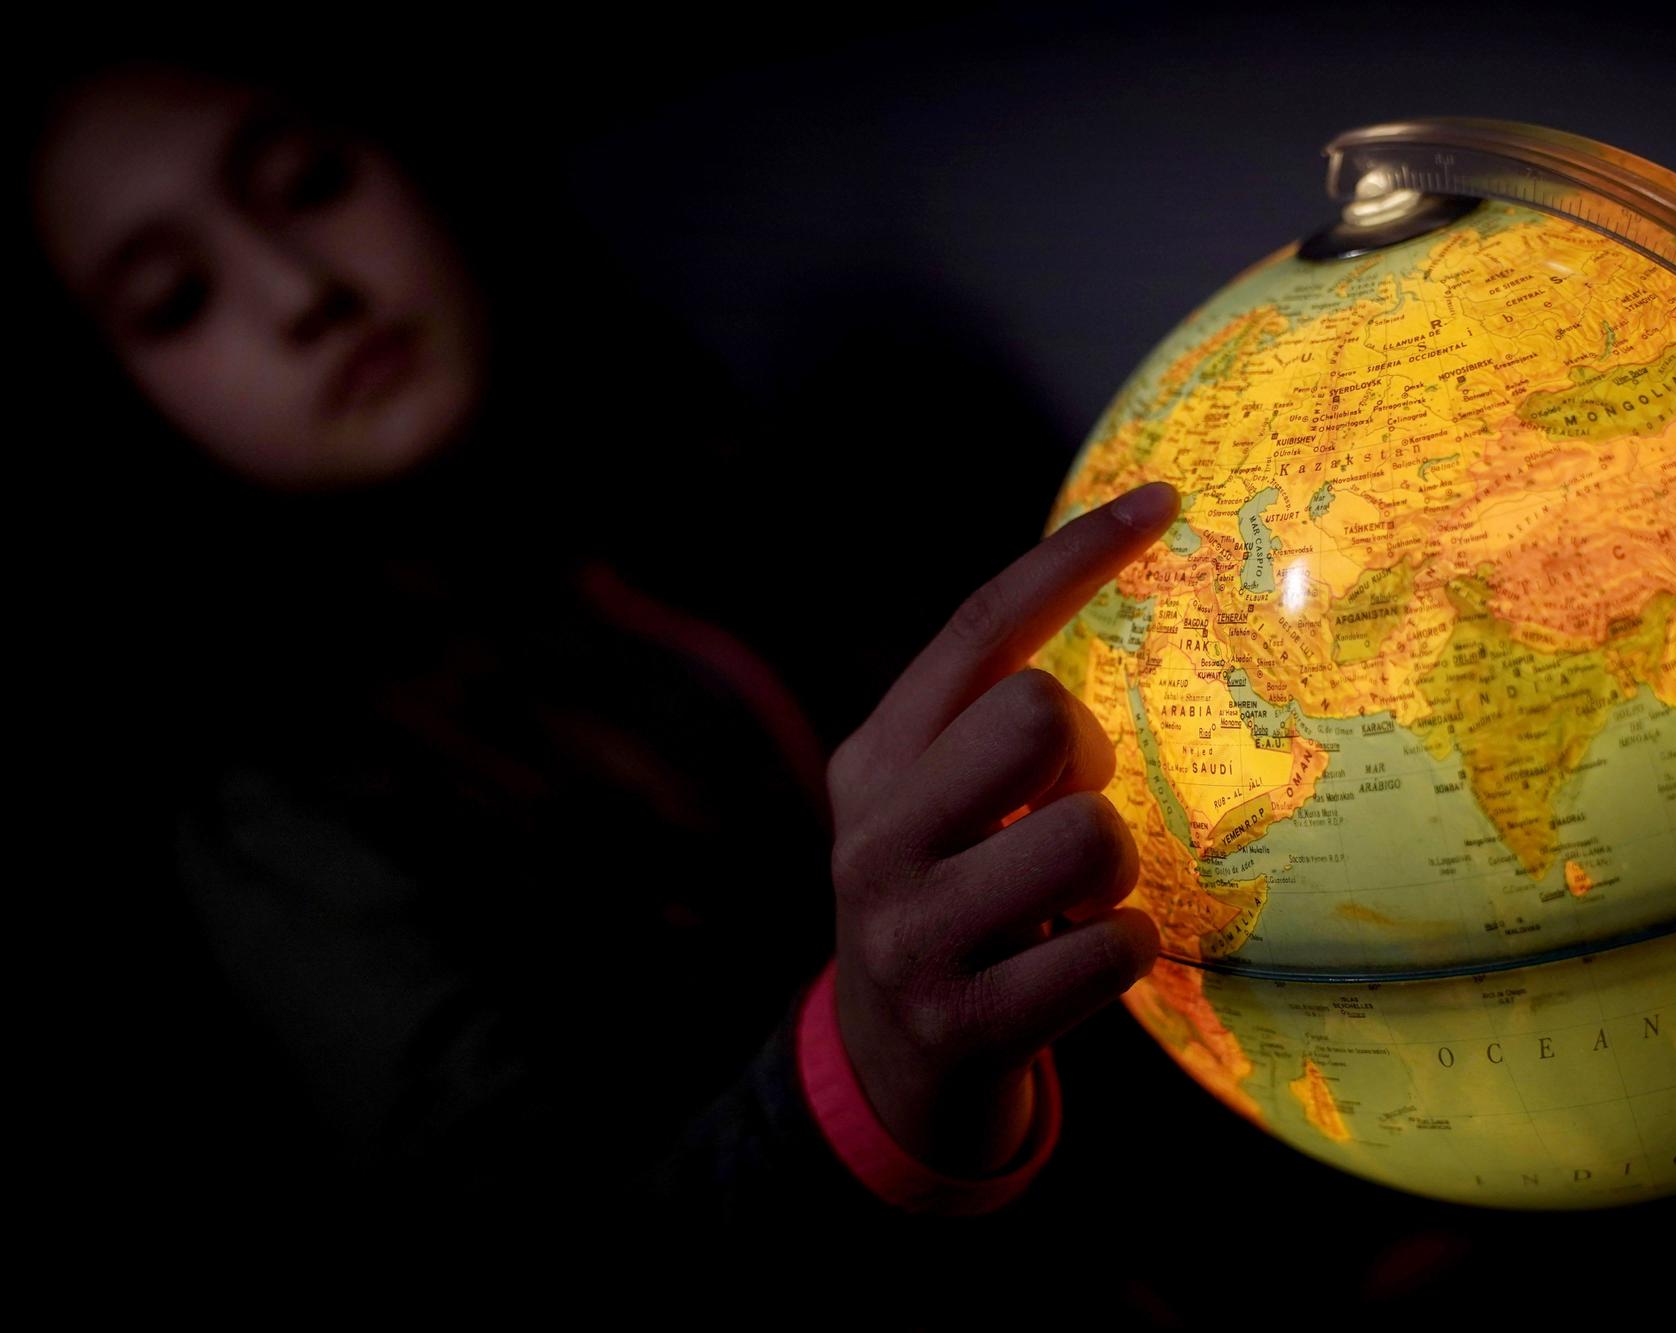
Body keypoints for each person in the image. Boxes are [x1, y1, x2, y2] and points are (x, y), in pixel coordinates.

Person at [26, 48, 1176, 1258]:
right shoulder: (281, 822)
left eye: (309, 181)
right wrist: (869, 1077)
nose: (298, 290)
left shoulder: (800, 457)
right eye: (175, 301)